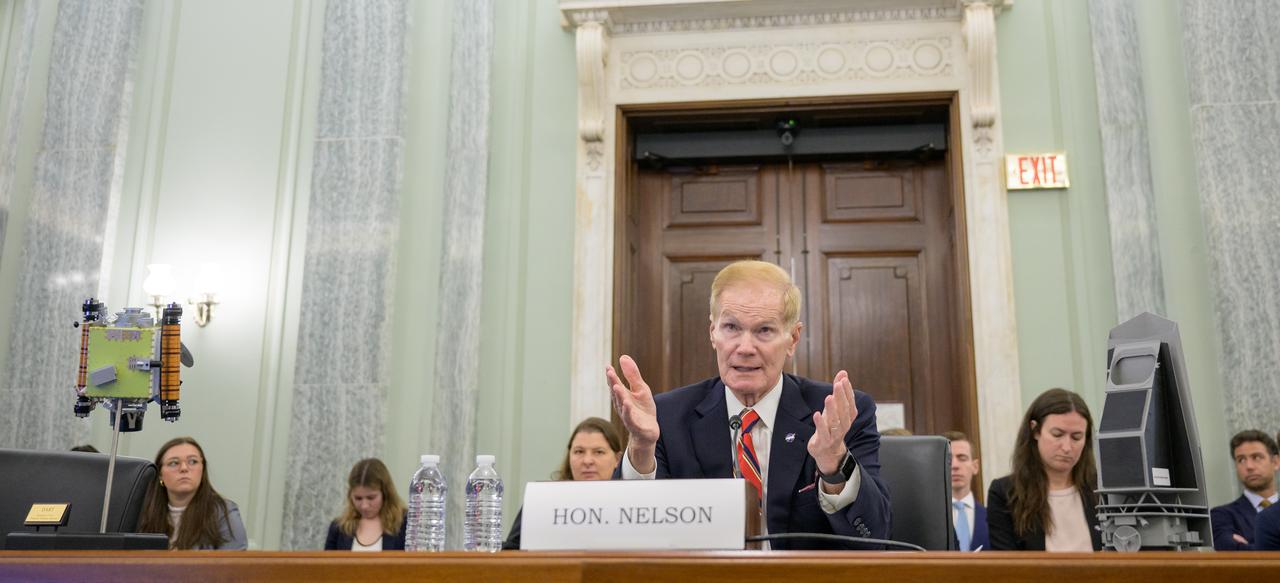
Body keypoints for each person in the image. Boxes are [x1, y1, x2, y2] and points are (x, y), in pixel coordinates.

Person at [608, 260, 890, 549]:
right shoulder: (667, 416)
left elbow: (873, 538)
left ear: (793, 338)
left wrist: (834, 466)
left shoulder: (837, 414)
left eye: (764, 330)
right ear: (712, 333)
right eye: (731, 327)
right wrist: (641, 448)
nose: (744, 348)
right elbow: (630, 538)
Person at [986, 388, 1101, 551]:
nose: (1067, 447)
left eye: (1076, 437)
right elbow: (1008, 568)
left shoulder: (1105, 489)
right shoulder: (1005, 493)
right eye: (1057, 434)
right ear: (1035, 430)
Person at [503, 417, 623, 549]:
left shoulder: (627, 503)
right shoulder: (543, 500)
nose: (587, 461)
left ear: (617, 459)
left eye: (598, 452)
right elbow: (511, 550)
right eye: (579, 451)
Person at [138, 437, 248, 550]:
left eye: (192, 462)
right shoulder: (143, 512)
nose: (184, 468)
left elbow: (233, 564)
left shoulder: (224, 511)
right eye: (174, 463)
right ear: (160, 474)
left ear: (203, 469)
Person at [1209, 429, 1279, 550]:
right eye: (1241, 459)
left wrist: (1250, 546)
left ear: (1276, 462)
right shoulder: (1222, 516)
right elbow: (1232, 553)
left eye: (1257, 457)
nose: (1249, 466)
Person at [324, 458, 407, 551]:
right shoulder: (338, 528)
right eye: (358, 498)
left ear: (385, 493)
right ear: (350, 495)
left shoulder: (406, 524)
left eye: (371, 498)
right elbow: (327, 564)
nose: (364, 506)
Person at [943, 430, 987, 551]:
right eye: (948, 460)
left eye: (962, 458)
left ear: (975, 466)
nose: (955, 466)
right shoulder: (930, 522)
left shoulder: (992, 518)